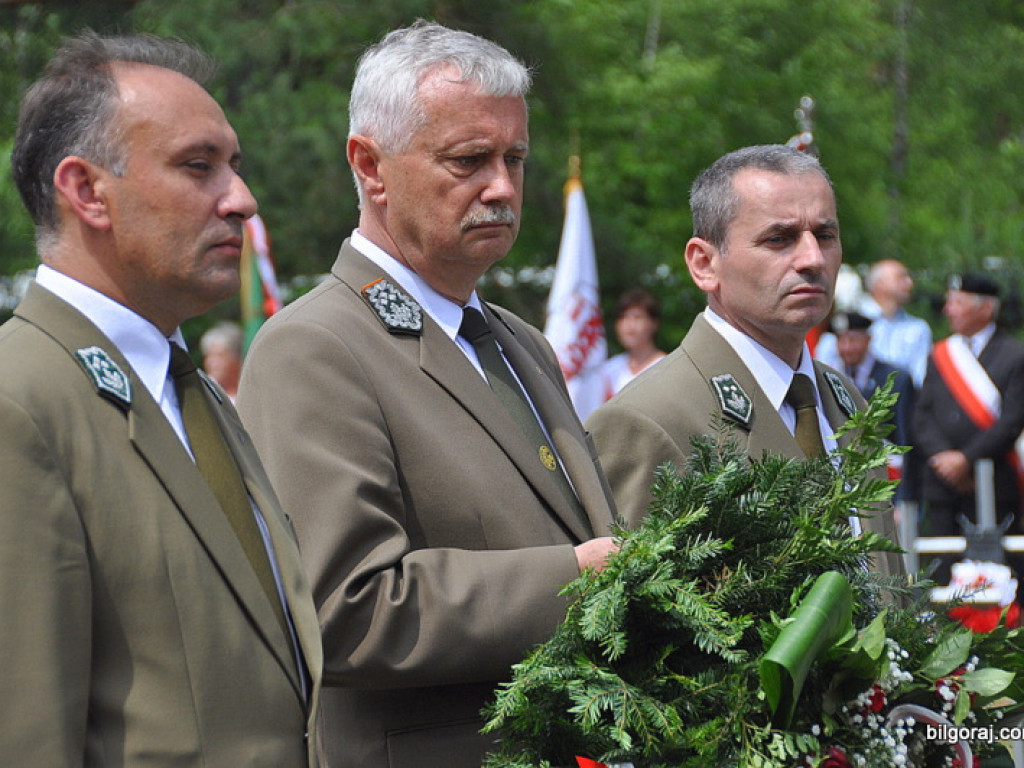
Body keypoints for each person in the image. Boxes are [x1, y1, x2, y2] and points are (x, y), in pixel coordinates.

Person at [235, 21, 618, 768]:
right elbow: (343, 610)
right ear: (370, 167)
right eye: (469, 159)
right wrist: (576, 577)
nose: (503, 187)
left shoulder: (519, 341)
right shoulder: (313, 347)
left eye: (515, 158)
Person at [0, 32, 321, 766]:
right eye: (197, 167)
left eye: (234, 168)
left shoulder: (190, 390)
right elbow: (23, 731)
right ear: (86, 191)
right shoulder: (19, 402)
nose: (243, 199)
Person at [587, 144, 904, 580]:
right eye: (780, 238)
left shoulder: (843, 399)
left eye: (825, 235)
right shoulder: (648, 422)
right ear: (704, 264)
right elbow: (630, 633)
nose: (812, 258)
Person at [913, 272, 1024, 582]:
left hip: (992, 479)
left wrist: (966, 460)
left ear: (985, 308)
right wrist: (945, 459)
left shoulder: (1014, 355)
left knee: (1000, 574)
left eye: (957, 302)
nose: (949, 310)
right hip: (943, 484)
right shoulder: (941, 354)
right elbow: (922, 415)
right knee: (944, 573)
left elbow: (1012, 421)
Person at [831, 309, 917, 501]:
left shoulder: (895, 379)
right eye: (841, 340)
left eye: (852, 340)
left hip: (887, 482)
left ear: (868, 339)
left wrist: (904, 499)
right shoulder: (830, 377)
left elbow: (905, 440)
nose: (846, 347)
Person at [862, 259, 932, 387]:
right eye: (900, 278)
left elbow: (920, 379)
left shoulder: (918, 328)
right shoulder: (854, 321)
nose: (909, 283)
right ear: (880, 284)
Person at [599, 287, 667, 399]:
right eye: (623, 317)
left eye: (637, 317)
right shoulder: (609, 370)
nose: (629, 325)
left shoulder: (667, 367)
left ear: (654, 323)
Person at [200, 320, 244, 399]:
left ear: (235, 357)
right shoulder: (203, 392)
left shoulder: (251, 387)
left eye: (219, 356)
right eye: (209, 356)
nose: (213, 364)